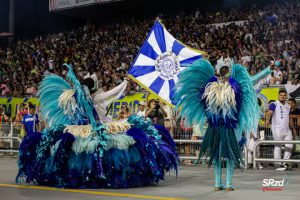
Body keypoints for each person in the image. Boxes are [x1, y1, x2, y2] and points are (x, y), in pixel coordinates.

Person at [175, 59, 269, 191]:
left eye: (225, 72)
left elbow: (238, 95)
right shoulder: (211, 86)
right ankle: (218, 182)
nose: (222, 75)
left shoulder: (233, 86)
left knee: (230, 154)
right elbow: (203, 98)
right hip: (215, 127)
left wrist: (229, 80)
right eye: (221, 72)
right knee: (216, 155)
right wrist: (215, 77)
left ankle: (229, 183)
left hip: (228, 127)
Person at [266, 90, 293, 171]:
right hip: (277, 128)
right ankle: (277, 164)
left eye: (284, 95)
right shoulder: (274, 104)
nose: (283, 96)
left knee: (289, 146)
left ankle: (285, 163)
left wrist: (293, 129)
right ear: (278, 96)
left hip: (287, 129)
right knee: (278, 146)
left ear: (286, 96)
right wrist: (267, 120)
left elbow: (289, 117)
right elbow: (270, 112)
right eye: (281, 95)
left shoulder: (288, 106)